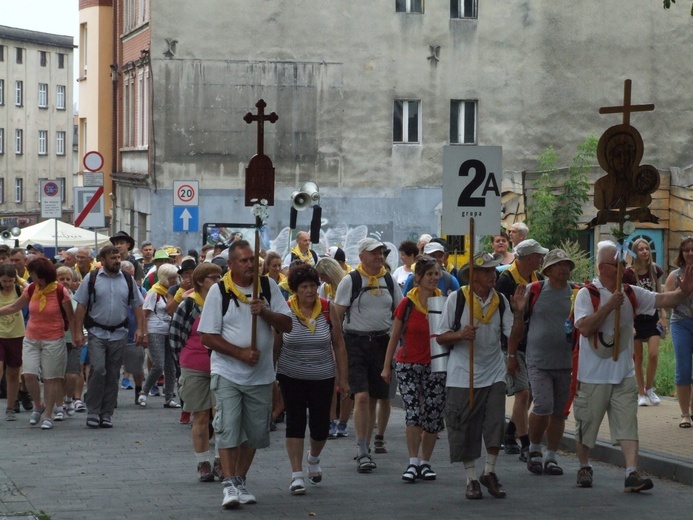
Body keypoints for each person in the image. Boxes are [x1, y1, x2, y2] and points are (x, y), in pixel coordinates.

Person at [573, 240, 693, 492]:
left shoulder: (630, 292)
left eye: (622, 264)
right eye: (617, 265)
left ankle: (631, 472)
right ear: (603, 267)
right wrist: (608, 306)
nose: (622, 269)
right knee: (587, 425)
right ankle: (584, 465)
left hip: (623, 374)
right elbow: (584, 328)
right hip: (593, 375)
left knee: (628, 423)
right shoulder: (586, 294)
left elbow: (662, 299)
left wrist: (684, 292)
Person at [198, 239, 292, 509]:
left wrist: (265, 312)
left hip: (261, 375)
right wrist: (239, 353)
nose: (250, 264)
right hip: (228, 372)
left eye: (252, 259)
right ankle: (228, 484)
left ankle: (240, 480)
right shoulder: (219, 291)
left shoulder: (268, 287)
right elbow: (207, 336)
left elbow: (287, 325)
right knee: (228, 428)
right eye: (244, 260)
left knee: (253, 433)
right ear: (231, 264)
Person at [435, 252, 526, 500]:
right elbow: (441, 337)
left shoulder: (502, 302)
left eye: (493, 270)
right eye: (486, 271)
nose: (492, 275)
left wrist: (518, 313)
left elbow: (514, 337)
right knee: (465, 427)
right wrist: (460, 335)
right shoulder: (457, 299)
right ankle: (471, 478)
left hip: (494, 369)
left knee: (496, 421)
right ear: (473, 276)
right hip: (462, 373)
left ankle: (490, 471)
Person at [275, 264, 349, 495]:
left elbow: (338, 344)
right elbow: (276, 346)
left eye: (313, 286)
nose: (309, 291)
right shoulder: (285, 311)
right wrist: (270, 377)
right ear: (295, 290)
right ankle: (296, 474)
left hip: (322, 376)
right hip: (291, 375)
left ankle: (313, 458)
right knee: (295, 423)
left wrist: (343, 380)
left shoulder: (328, 309)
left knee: (320, 427)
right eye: (304, 287)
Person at [333, 237, 403, 473]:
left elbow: (401, 311)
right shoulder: (350, 281)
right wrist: (337, 348)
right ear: (362, 256)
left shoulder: (389, 280)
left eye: (381, 252)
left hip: (381, 342)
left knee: (374, 397)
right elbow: (337, 316)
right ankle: (362, 449)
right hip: (354, 342)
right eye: (374, 253)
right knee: (361, 397)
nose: (379, 256)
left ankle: (368, 443)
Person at [382, 255, 447, 483]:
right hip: (408, 365)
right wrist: (387, 366)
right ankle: (412, 462)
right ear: (418, 277)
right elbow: (395, 336)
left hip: (436, 366)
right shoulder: (407, 304)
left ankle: (425, 462)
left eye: (437, 273)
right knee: (413, 414)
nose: (434, 278)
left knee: (432, 414)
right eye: (429, 274)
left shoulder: (444, 302)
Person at [517, 249, 577, 476]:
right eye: (559, 265)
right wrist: (512, 355)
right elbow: (518, 322)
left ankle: (551, 455)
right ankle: (534, 450)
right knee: (543, 405)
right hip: (538, 361)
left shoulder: (577, 293)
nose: (564, 269)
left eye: (567, 265)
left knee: (560, 412)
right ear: (548, 270)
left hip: (566, 361)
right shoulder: (535, 290)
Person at [73, 245, 145, 429]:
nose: (117, 260)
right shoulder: (92, 278)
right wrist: (78, 332)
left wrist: (140, 330)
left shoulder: (128, 280)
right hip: (97, 333)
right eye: (113, 258)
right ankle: (93, 411)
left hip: (119, 333)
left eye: (118, 257)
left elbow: (137, 306)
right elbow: (81, 306)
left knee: (113, 375)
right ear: (102, 260)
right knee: (98, 370)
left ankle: (106, 413)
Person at [0, 258, 75, 430]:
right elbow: (14, 307)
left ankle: (48, 414)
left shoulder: (59, 291)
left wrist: (77, 335)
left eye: (32, 273)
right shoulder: (32, 289)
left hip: (54, 339)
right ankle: (38, 404)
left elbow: (70, 317)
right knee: (29, 374)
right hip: (31, 338)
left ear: (40, 275)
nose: (30, 277)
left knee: (50, 378)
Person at [170, 262, 224, 482]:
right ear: (201, 281)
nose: (218, 281)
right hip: (194, 366)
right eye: (214, 278)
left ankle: (221, 461)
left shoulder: (224, 302)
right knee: (201, 416)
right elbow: (175, 336)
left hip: (222, 366)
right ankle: (203, 463)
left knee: (221, 416)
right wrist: (181, 365)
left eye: (221, 277)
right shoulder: (189, 304)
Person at [495, 238, 548, 460]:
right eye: (538, 256)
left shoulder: (538, 279)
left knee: (531, 394)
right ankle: (525, 444)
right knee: (523, 392)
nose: (541, 259)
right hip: (511, 343)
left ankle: (509, 433)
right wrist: (509, 353)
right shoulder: (506, 280)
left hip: (532, 343)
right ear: (527, 258)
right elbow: (500, 315)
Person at [622, 238, 665, 406]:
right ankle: (641, 393)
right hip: (636, 318)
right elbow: (626, 297)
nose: (645, 252)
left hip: (652, 317)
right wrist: (629, 323)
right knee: (638, 357)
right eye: (641, 249)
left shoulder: (655, 270)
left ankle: (649, 388)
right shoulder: (629, 273)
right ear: (635, 252)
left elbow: (660, 294)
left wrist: (663, 316)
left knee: (653, 354)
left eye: (646, 248)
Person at [316, 257, 352, 438]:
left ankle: (343, 421)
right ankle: (330, 419)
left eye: (323, 275)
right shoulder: (324, 288)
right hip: (330, 335)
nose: (322, 280)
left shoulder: (347, 284)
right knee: (332, 380)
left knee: (346, 380)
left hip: (348, 336)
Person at [138, 263, 180, 408]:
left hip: (170, 331)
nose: (175, 280)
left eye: (175, 277)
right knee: (158, 365)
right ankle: (144, 392)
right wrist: (144, 334)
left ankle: (168, 398)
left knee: (171, 367)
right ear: (164, 277)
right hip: (154, 330)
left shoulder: (172, 292)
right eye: (172, 277)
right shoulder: (154, 293)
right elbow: (144, 314)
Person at [665, 237, 693, 428]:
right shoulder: (674, 275)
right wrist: (682, 291)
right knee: (683, 370)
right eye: (686, 250)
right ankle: (685, 414)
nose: (690, 253)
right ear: (681, 254)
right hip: (681, 323)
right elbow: (667, 303)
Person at [119, 261, 147, 406]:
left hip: (133, 335)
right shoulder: (116, 288)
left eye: (130, 275)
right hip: (116, 334)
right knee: (112, 367)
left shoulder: (140, 291)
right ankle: (111, 397)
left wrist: (142, 330)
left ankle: (138, 390)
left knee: (137, 367)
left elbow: (144, 313)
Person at [0, 264, 25, 421]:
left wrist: (20, 280)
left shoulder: (18, 290)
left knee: (14, 372)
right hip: (0, 335)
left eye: (10, 280)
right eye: (4, 281)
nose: (7, 284)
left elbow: (32, 289)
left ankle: (10, 406)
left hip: (16, 335)